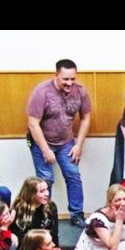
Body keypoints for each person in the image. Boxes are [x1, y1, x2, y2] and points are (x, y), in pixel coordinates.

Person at [25, 58, 92, 229]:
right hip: (41, 141)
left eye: (73, 79)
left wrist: (79, 145)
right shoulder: (42, 92)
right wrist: (45, 149)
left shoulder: (81, 91)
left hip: (66, 142)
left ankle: (76, 215)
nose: (69, 83)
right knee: (45, 180)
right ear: (56, 75)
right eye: (65, 79)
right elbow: (33, 123)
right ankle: (45, 216)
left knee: (73, 175)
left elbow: (86, 118)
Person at [10, 177, 59, 250]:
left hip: (46, 248)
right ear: (31, 194)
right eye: (42, 191)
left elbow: (54, 234)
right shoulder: (18, 209)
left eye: (47, 189)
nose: (47, 194)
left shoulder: (51, 207)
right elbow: (19, 239)